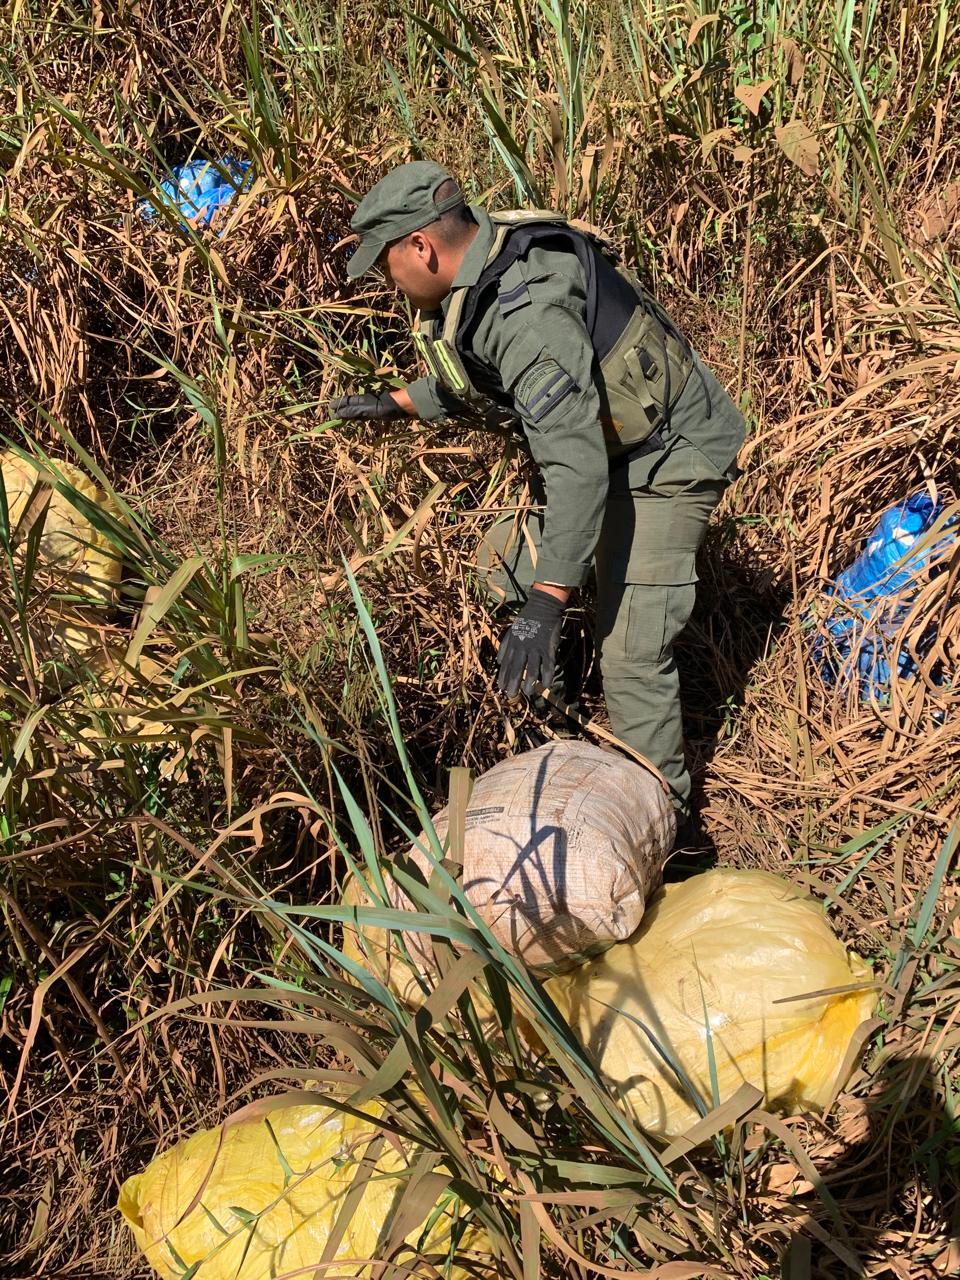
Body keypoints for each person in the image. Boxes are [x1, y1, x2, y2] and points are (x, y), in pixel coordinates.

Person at [333, 161, 745, 833]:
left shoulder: (528, 316)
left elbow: (575, 465)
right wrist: (399, 402)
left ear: (421, 247)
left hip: (667, 457)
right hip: (605, 450)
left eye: (385, 265)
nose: (387, 281)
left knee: (632, 656)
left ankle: (663, 827)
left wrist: (548, 603)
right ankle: (565, 708)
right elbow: (484, 368)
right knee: (501, 566)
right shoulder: (485, 262)